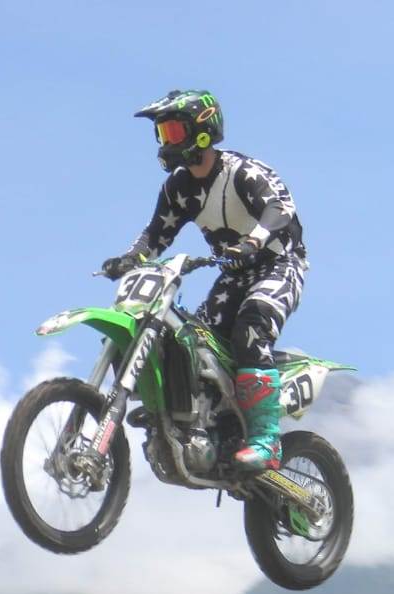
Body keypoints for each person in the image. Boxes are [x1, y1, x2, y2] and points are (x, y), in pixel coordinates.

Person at [101, 89, 306, 471]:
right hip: (233, 273)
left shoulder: (242, 172)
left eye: (174, 132)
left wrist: (253, 242)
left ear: (202, 132)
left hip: (279, 264)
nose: (166, 142)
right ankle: (198, 420)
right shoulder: (178, 188)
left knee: (252, 325)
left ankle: (266, 442)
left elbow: (281, 209)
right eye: (162, 134)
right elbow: (156, 235)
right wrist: (130, 259)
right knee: (193, 342)